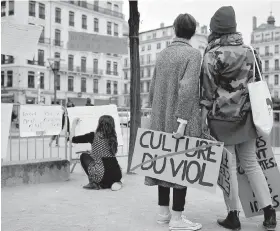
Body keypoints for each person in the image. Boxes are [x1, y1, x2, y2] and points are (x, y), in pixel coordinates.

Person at [200, 6, 277, 231]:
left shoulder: (213, 54)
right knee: (252, 164)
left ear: (215, 29)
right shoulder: (250, 52)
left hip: (221, 119)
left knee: (229, 167)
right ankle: (269, 211)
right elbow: (257, 81)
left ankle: (233, 216)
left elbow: (207, 91)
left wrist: (203, 117)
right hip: (248, 116)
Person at [147, 13, 203, 231]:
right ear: (193, 32)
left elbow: (152, 89)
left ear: (174, 29)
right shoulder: (193, 54)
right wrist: (182, 121)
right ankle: (178, 219)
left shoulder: (162, 54)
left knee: (163, 163)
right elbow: (188, 88)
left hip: (159, 117)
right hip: (181, 119)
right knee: (182, 164)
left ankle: (164, 213)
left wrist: (155, 111)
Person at [70, 115, 123, 191]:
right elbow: (106, 152)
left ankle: (94, 183)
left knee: (83, 156)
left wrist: (74, 125)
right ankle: (114, 183)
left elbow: (72, 139)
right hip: (116, 174)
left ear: (99, 124)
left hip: (102, 175)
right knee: (98, 159)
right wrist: (93, 152)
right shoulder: (113, 137)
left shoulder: (93, 136)